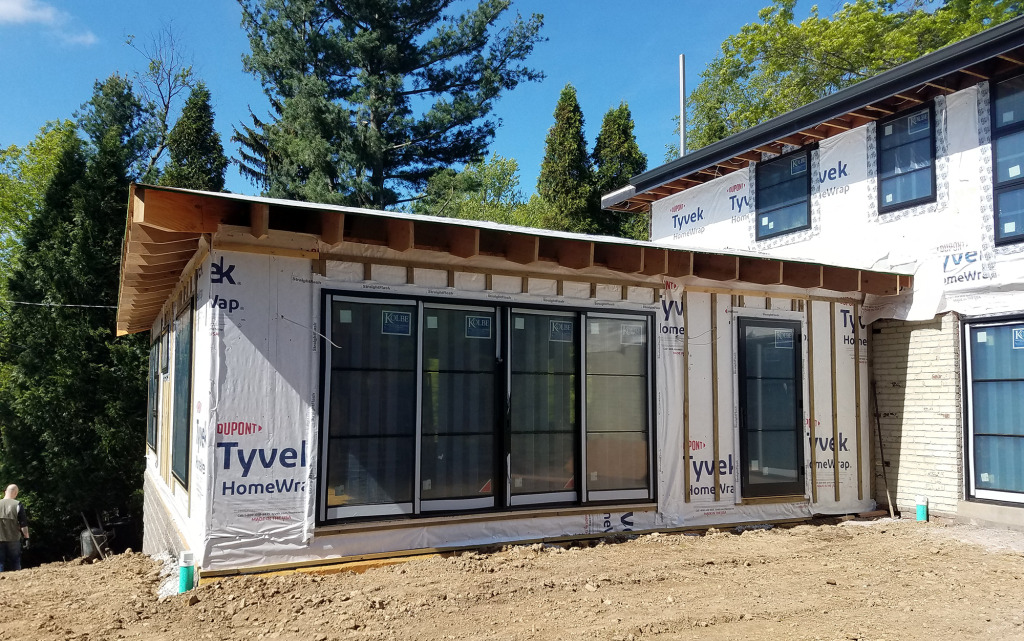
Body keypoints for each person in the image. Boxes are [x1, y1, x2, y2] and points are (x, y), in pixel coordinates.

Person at [0, 484, 29, 571]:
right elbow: (23, 524)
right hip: (13, 539)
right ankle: (17, 579)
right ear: (16, 493)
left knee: (0, 562)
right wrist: (26, 538)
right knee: (15, 561)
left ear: (5, 492)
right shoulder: (17, 504)